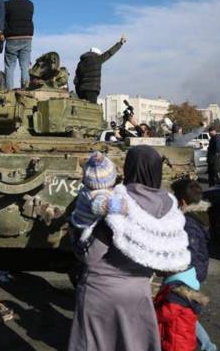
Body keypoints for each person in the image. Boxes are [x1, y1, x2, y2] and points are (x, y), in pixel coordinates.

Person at [68, 146, 190, 351]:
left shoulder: (116, 200)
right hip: (138, 293)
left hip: (101, 293)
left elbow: (91, 256)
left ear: (128, 168)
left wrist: (76, 239)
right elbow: (166, 262)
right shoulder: (169, 207)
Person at [154, 179, 216, 351]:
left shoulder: (187, 223)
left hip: (183, 276)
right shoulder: (198, 215)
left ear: (181, 202)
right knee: (186, 314)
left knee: (175, 309)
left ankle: (206, 347)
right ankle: (207, 346)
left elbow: (189, 253)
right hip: (189, 274)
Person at [74, 36, 126, 103]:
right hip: (92, 90)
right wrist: (120, 43)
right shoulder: (97, 59)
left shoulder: (80, 63)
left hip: (81, 91)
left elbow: (76, 80)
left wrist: (78, 92)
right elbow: (109, 53)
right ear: (97, 54)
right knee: (92, 110)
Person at [3, 0, 34, 89]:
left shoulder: (7, 4)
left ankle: (9, 91)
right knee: (24, 66)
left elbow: (4, 21)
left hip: (12, 38)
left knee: (9, 66)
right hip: (27, 38)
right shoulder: (30, 4)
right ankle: (25, 89)